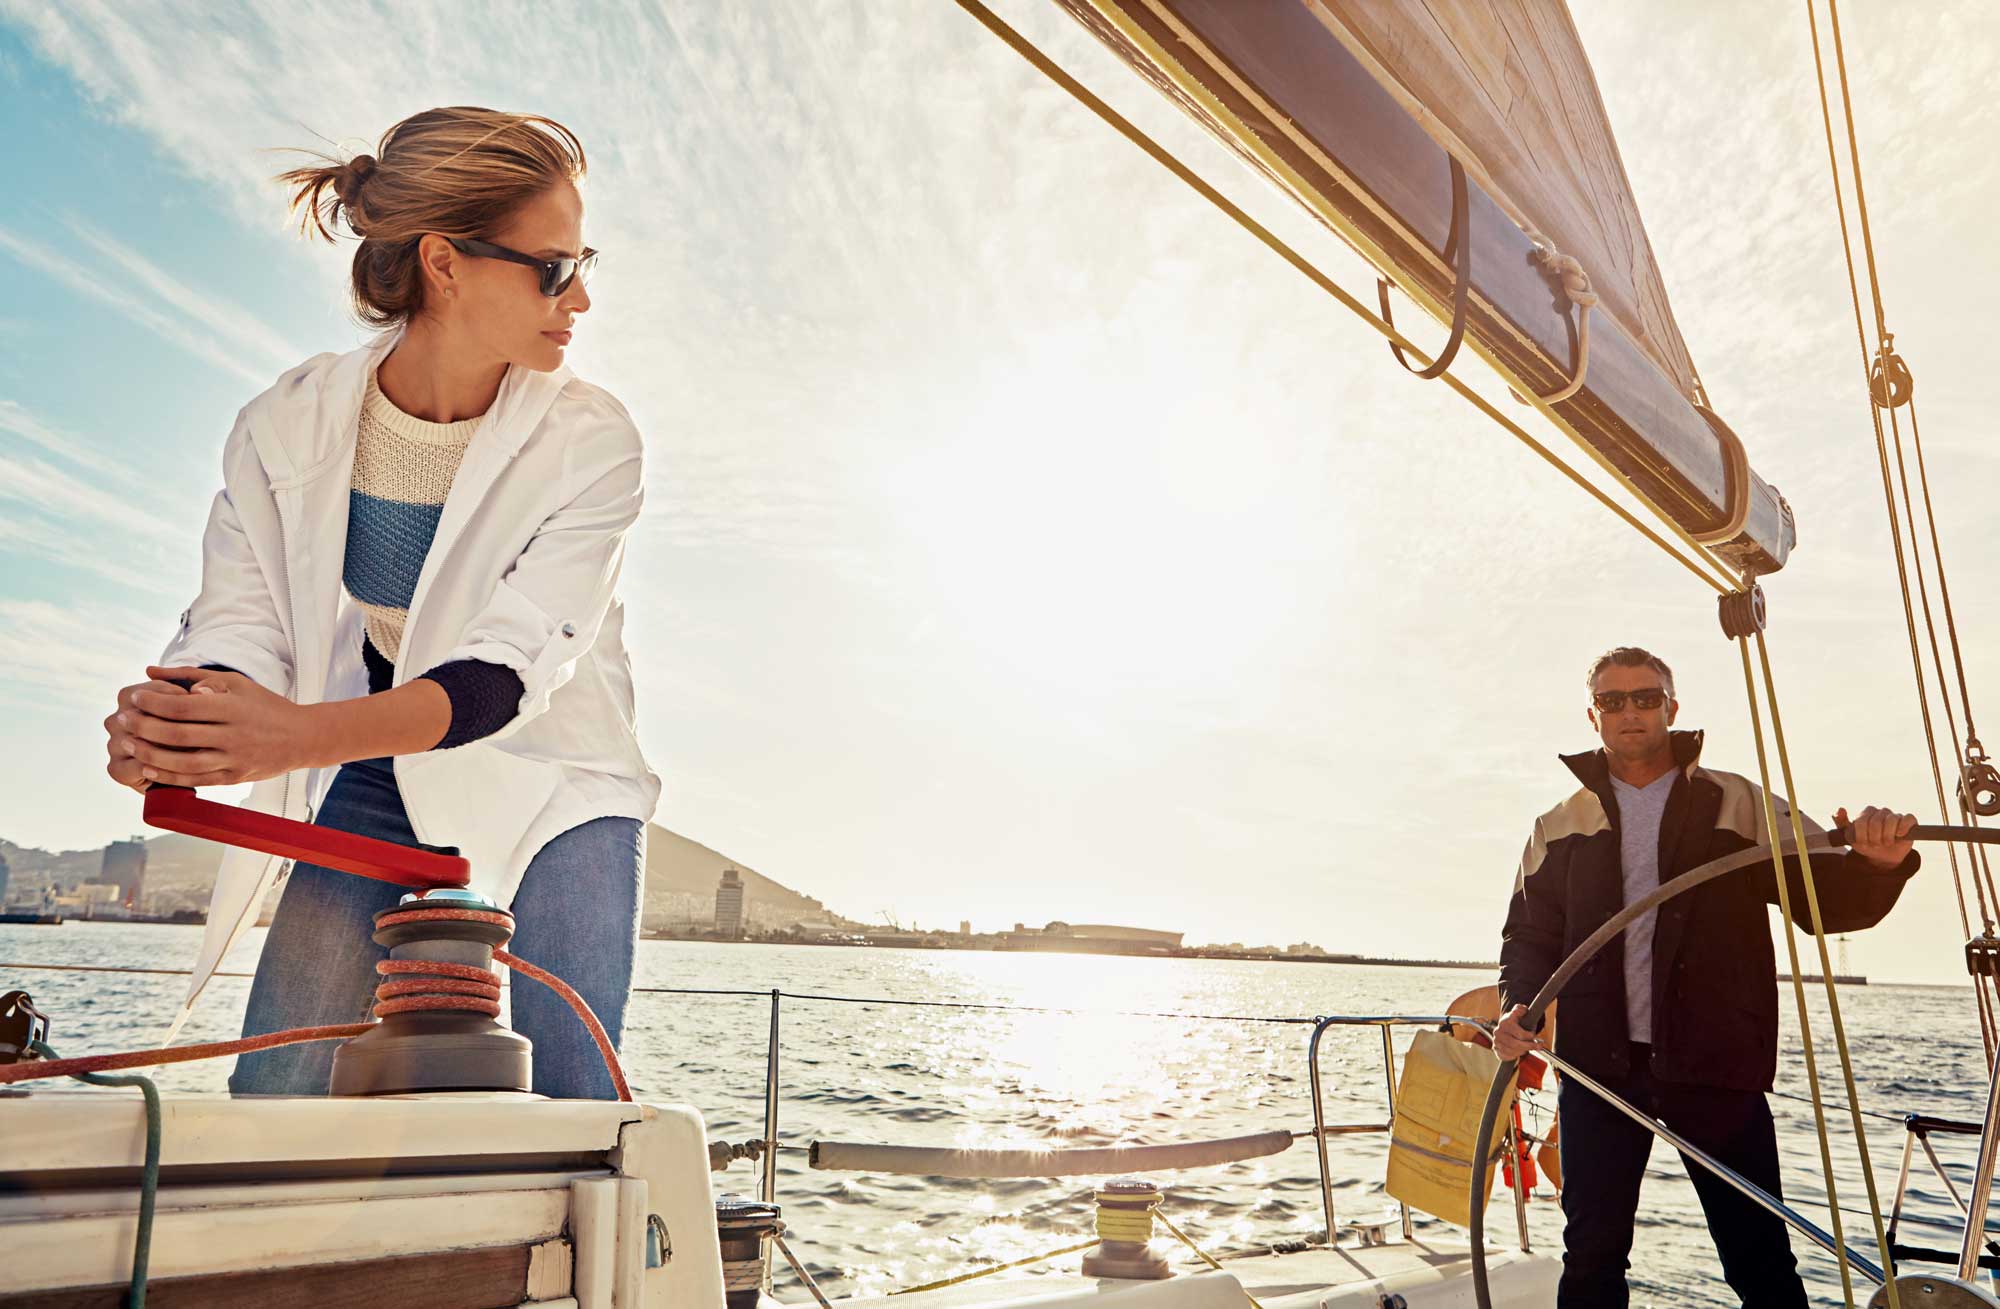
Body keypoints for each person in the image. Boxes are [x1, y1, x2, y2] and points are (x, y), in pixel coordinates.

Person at [98, 107, 657, 1100]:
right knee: (277, 1088)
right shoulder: (287, 423)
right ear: (445, 264)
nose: (580, 298)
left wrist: (289, 738)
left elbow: (504, 673)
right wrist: (188, 722)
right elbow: (243, 619)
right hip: (374, 758)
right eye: (553, 268)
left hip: (557, 773)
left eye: (582, 264)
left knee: (574, 1094)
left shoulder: (592, 441)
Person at [1494, 646, 1918, 1307]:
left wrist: (1876, 864)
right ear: (1592, 715)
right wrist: (1518, 1004)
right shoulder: (1560, 825)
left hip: (1714, 1063)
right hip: (1598, 1071)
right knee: (1591, 1256)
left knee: (1759, 1258)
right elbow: (1528, 934)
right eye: (1612, 700)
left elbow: (1823, 900)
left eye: (1645, 697)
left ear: (1672, 707)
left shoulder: (1738, 803)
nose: (1630, 711)